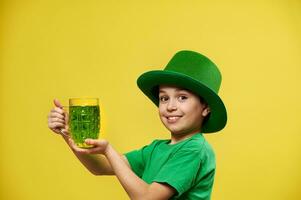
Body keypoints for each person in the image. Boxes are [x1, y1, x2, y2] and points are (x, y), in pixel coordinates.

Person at [47, 50, 227, 200]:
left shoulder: (195, 150)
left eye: (182, 97)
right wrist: (69, 133)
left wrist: (109, 150)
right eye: (164, 98)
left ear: (206, 108)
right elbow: (99, 167)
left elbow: (146, 198)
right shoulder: (156, 149)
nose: (170, 106)